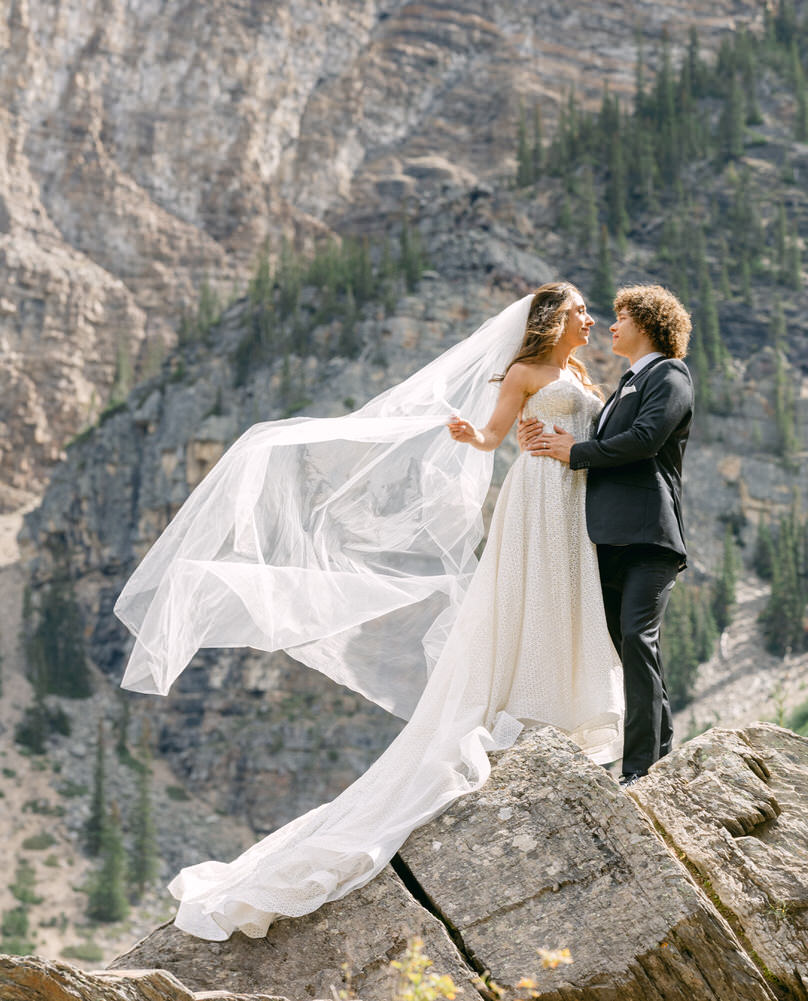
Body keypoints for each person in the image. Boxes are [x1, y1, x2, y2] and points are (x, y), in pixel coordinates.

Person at [114, 282, 624, 940]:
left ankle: (565, 702)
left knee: (569, 597)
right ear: (553, 320)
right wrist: (472, 432)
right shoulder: (525, 372)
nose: (592, 319)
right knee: (536, 594)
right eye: (581, 310)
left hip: (573, 495)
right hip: (536, 493)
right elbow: (495, 434)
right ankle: (531, 704)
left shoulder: (578, 372)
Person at [522, 284, 693, 784]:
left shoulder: (669, 375)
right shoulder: (624, 383)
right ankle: (658, 758)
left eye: (620, 317)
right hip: (609, 538)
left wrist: (575, 451)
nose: (611, 326)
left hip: (649, 537)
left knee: (639, 638)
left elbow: (643, 440)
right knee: (630, 647)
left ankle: (639, 768)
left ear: (645, 322)